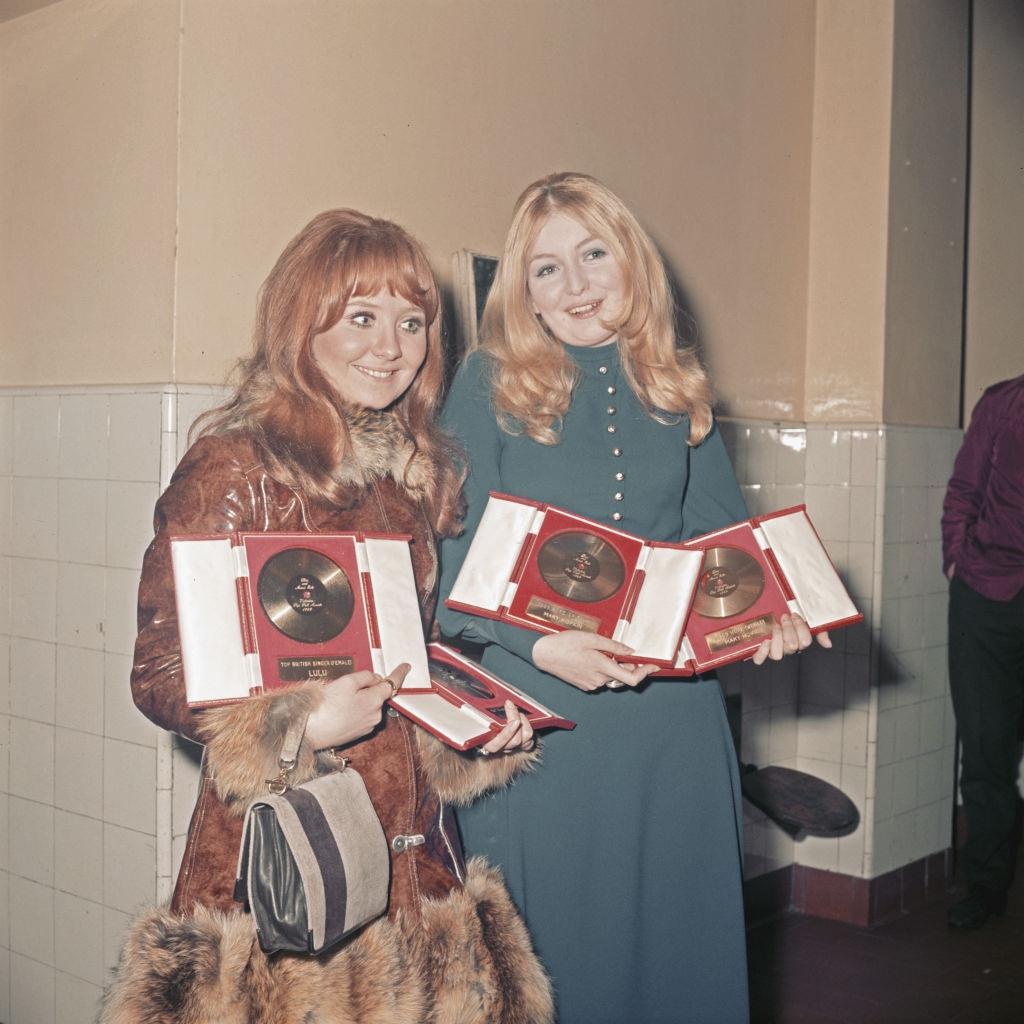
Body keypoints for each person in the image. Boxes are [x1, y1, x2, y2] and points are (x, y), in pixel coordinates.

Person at [101, 210, 554, 1024]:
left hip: (417, 854)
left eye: (412, 322)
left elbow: (406, 651)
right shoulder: (235, 466)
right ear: (302, 326)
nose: (392, 345)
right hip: (294, 857)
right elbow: (160, 671)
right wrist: (300, 726)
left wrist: (475, 722)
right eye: (362, 317)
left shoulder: (403, 477)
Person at [438, 172, 826, 1023]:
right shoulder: (486, 384)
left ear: (632, 266)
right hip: (544, 725)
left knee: (676, 955)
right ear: (524, 292)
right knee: (558, 967)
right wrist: (541, 650)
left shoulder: (675, 388)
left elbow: (720, 555)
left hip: (672, 729)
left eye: (592, 255)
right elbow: (446, 571)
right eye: (546, 269)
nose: (574, 286)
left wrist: (767, 621)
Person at [942, 373, 1024, 930]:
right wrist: (957, 558)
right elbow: (963, 490)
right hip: (987, 595)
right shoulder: (1004, 403)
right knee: (986, 752)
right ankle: (987, 890)